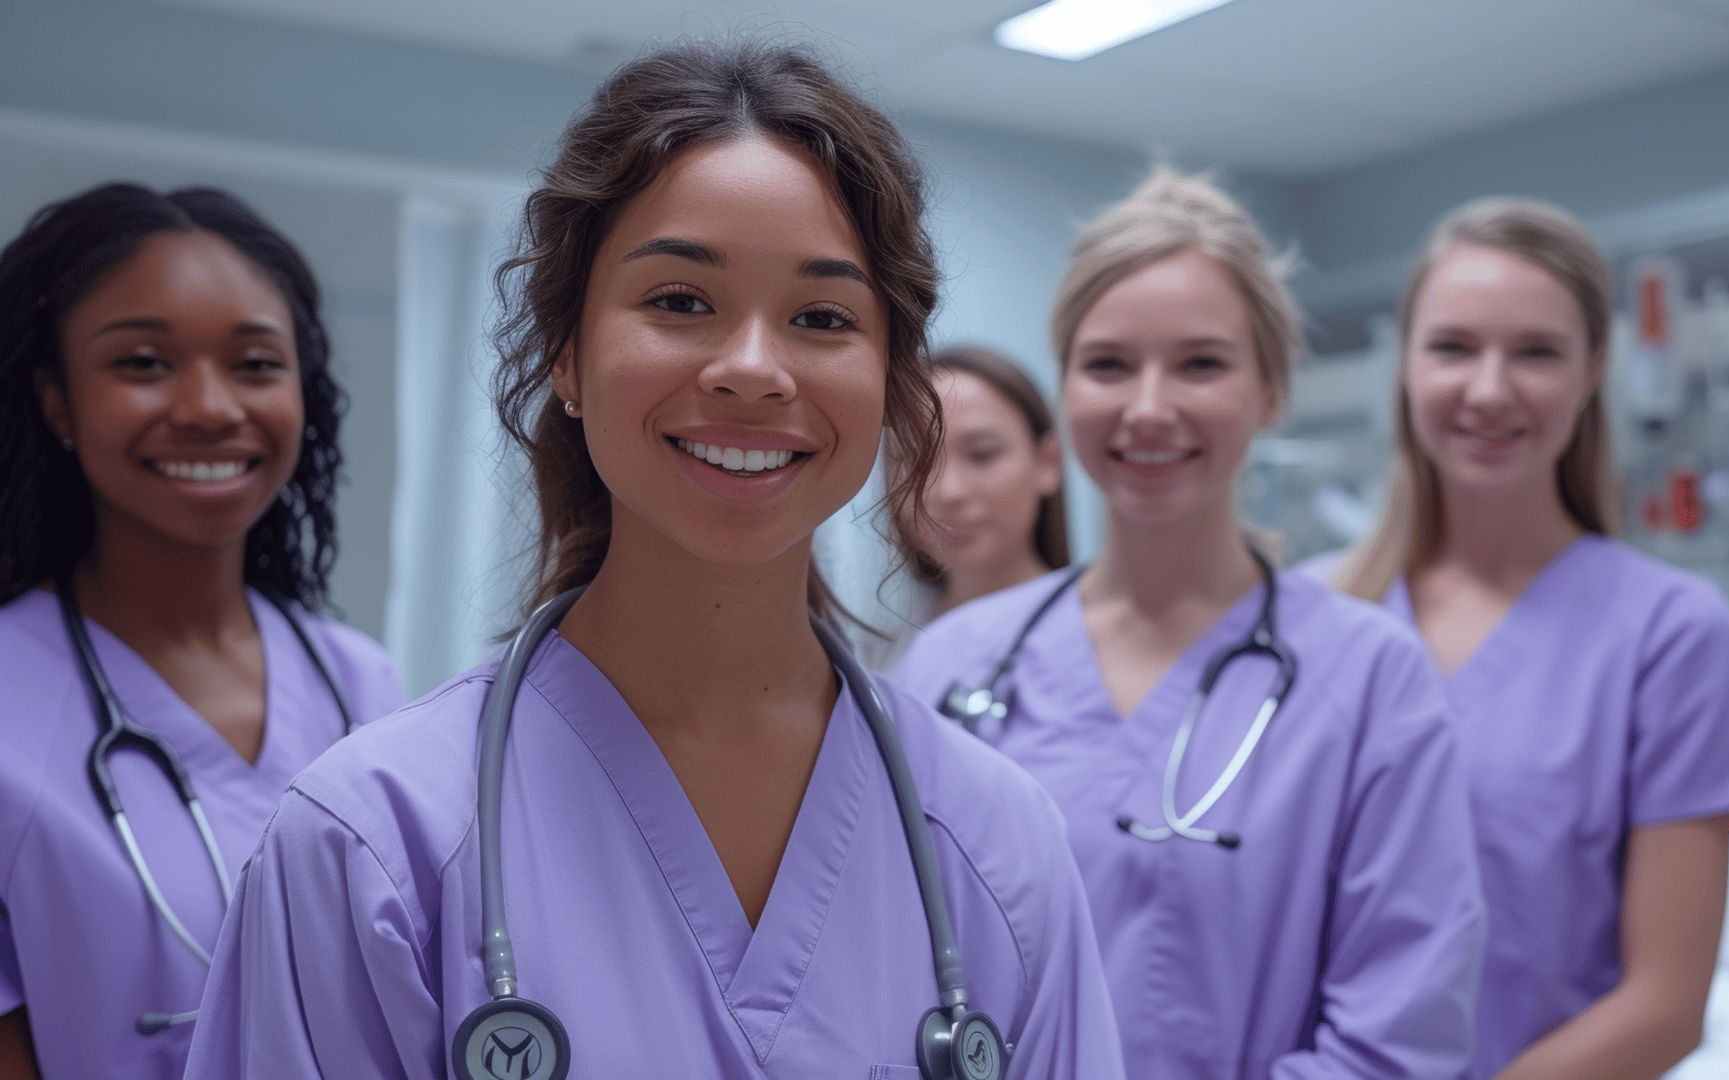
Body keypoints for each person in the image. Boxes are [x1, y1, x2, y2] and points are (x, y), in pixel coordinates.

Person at [182, 41, 1122, 1080]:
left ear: (892, 383)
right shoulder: (372, 844)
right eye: (680, 301)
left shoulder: (998, 845)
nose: (753, 371)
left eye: (822, 317)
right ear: (567, 355)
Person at [893, 169, 1485, 1079]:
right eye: (1108, 365)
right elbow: (884, 972)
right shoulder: (948, 667)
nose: (1148, 407)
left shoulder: (1371, 678)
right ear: (1067, 390)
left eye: (1201, 364)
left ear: (1271, 392)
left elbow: (1395, 1042)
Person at [1335, 197, 1729, 1080]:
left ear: (1592, 372)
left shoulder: (1673, 637)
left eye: (1536, 352)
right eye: (1452, 347)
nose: (1489, 389)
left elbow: (1665, 1007)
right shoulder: (1304, 616)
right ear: (1403, 366)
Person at [0, 183, 405, 1080]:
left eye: (255, 363)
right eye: (144, 362)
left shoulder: (363, 685)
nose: (211, 407)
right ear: (56, 399)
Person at [868, 346, 1067, 668]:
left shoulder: (1096, 637)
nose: (949, 491)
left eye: (982, 454)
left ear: (1048, 462)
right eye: (917, 462)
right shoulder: (872, 653)